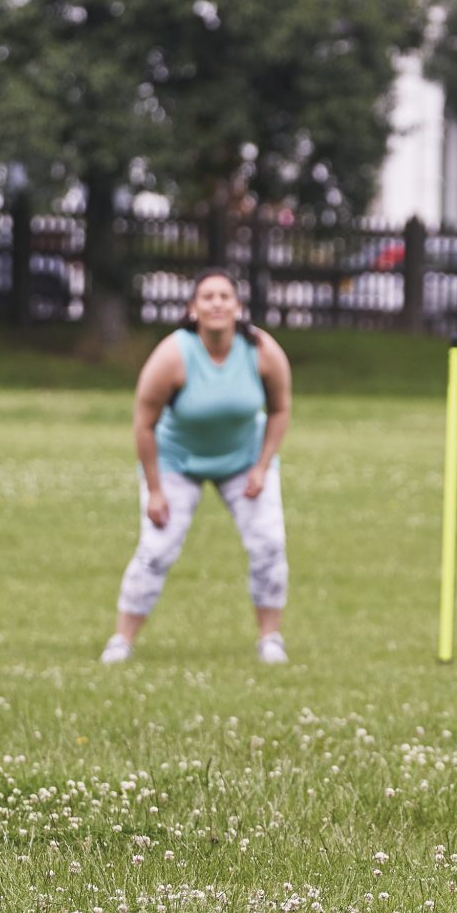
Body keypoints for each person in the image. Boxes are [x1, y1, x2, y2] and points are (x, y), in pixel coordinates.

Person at [103, 269, 295, 666]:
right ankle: (121, 641)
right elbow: (144, 424)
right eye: (207, 297)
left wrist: (261, 467)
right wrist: (155, 490)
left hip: (244, 460)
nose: (217, 303)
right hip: (177, 462)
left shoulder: (261, 350)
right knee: (157, 549)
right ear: (193, 309)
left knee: (269, 545)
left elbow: (279, 409)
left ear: (238, 308)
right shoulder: (173, 355)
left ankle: (270, 639)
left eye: (225, 296)